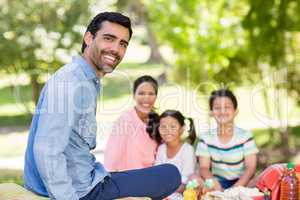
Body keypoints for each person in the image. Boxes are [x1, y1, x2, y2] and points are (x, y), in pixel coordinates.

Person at [24, 12, 181, 200]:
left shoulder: (85, 80)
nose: (116, 49)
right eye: (109, 39)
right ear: (89, 38)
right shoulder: (70, 83)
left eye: (123, 44)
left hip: (89, 178)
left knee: (165, 174)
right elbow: (47, 151)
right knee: (170, 174)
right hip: (81, 191)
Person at [196, 89, 259, 190]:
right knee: (195, 180)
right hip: (217, 183)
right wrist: (216, 186)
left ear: (235, 111)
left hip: (243, 182)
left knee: (262, 179)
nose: (222, 111)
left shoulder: (245, 136)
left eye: (227, 107)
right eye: (217, 108)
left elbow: (250, 167)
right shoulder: (206, 138)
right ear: (211, 112)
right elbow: (204, 168)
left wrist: (236, 188)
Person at [104, 75, 159, 171]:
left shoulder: (157, 120)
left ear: (156, 96)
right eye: (141, 93)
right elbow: (112, 157)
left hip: (151, 178)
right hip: (129, 179)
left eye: (151, 94)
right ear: (134, 95)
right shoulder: (125, 120)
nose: (146, 98)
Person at [153, 110, 197, 198]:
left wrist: (162, 187)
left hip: (181, 194)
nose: (167, 130)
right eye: (163, 127)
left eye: (173, 127)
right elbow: (157, 174)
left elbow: (185, 182)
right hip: (163, 192)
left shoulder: (187, 150)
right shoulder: (161, 149)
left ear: (182, 128)